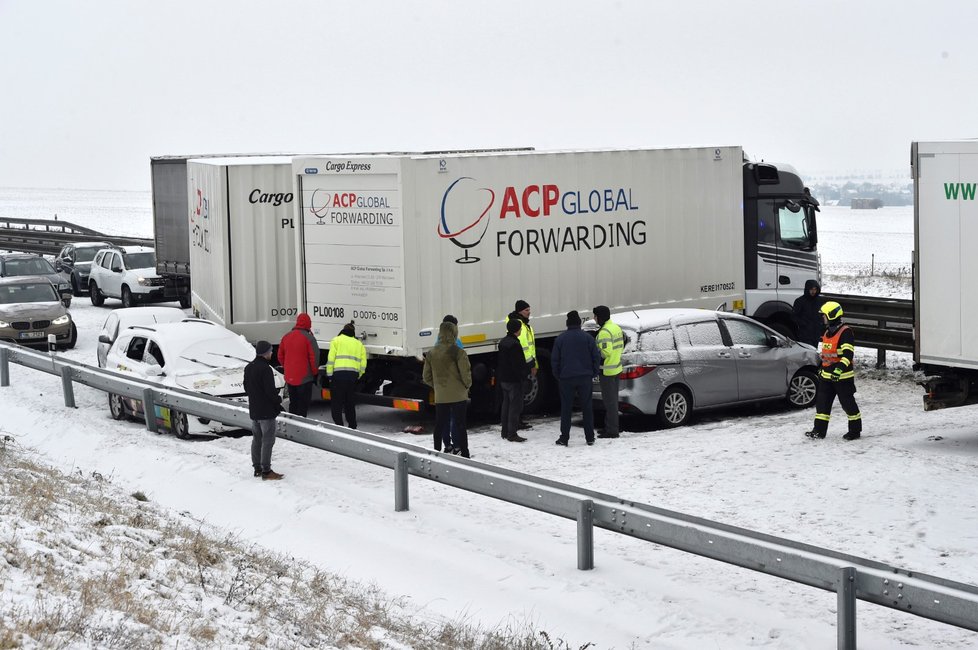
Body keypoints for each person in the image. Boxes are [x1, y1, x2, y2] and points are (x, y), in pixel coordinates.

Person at [806, 301, 862, 441]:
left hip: (843, 377)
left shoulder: (845, 332)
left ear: (831, 315)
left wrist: (838, 370)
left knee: (848, 405)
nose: (822, 318)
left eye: (824, 315)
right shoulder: (826, 332)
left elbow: (848, 355)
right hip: (826, 377)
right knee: (822, 405)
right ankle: (818, 431)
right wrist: (821, 369)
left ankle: (855, 431)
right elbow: (826, 354)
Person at [422, 320, 473, 456]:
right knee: (460, 425)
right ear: (454, 332)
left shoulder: (431, 353)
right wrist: (466, 386)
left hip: (441, 395)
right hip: (458, 395)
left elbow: (426, 376)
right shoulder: (458, 352)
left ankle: (437, 450)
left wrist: (438, 386)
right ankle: (464, 453)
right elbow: (466, 374)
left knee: (439, 424)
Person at [551, 310, 601, 446]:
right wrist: (593, 372)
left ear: (567, 324)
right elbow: (596, 357)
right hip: (585, 377)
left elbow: (555, 360)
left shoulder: (560, 339)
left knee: (566, 408)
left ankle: (564, 438)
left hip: (566, 378)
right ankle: (590, 437)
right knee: (587, 407)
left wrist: (558, 375)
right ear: (579, 323)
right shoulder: (588, 338)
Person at [243, 340, 284, 481]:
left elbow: (246, 388)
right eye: (271, 351)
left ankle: (257, 468)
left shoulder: (249, 367)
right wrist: (278, 402)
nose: (272, 353)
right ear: (265, 353)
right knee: (268, 440)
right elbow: (270, 392)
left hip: (254, 410)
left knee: (257, 439)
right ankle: (267, 470)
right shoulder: (266, 369)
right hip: (266, 411)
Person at [277, 313, 320, 417]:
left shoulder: (286, 337)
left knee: (293, 403)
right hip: (305, 378)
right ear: (309, 324)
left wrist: (287, 367)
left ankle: (292, 425)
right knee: (303, 405)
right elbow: (314, 358)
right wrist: (314, 373)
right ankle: (301, 428)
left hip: (290, 377)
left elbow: (280, 356)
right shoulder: (309, 338)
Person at [326, 321, 367, 429]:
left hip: (338, 376)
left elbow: (331, 360)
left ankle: (339, 425)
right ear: (353, 332)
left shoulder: (336, 341)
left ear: (343, 330)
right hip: (352, 377)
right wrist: (359, 375)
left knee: (337, 403)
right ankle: (352, 425)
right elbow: (363, 363)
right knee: (350, 403)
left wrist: (330, 375)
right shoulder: (359, 344)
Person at [593, 305, 624, 439]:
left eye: (595, 316)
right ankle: (610, 426)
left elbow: (606, 352)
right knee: (613, 401)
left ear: (600, 317)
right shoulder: (616, 327)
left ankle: (612, 431)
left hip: (607, 371)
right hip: (616, 368)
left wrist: (595, 351)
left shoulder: (604, 332)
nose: (594, 319)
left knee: (610, 403)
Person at [497, 317, 529, 442]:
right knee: (514, 407)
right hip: (513, 380)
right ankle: (512, 433)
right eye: (520, 328)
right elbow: (518, 364)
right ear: (517, 330)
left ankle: (504, 431)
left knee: (505, 405)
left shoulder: (503, 342)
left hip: (504, 379)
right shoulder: (515, 344)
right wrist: (523, 376)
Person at [510, 299, 536, 429]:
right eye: (526, 310)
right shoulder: (520, 325)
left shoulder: (523, 324)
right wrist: (531, 364)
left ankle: (518, 420)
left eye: (529, 310)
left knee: (519, 395)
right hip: (524, 364)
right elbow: (524, 347)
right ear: (520, 311)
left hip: (525, 363)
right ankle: (517, 421)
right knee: (518, 395)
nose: (529, 312)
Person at [440, 315, 465, 450]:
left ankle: (447, 444)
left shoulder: (438, 342)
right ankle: (457, 445)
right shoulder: (456, 343)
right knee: (456, 417)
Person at [793, 279, 825, 347]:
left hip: (816, 334)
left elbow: (823, 314)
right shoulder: (800, 301)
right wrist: (803, 324)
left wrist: (821, 324)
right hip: (805, 334)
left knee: (813, 352)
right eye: (811, 289)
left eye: (815, 289)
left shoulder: (820, 301)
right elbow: (794, 316)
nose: (813, 291)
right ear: (807, 289)